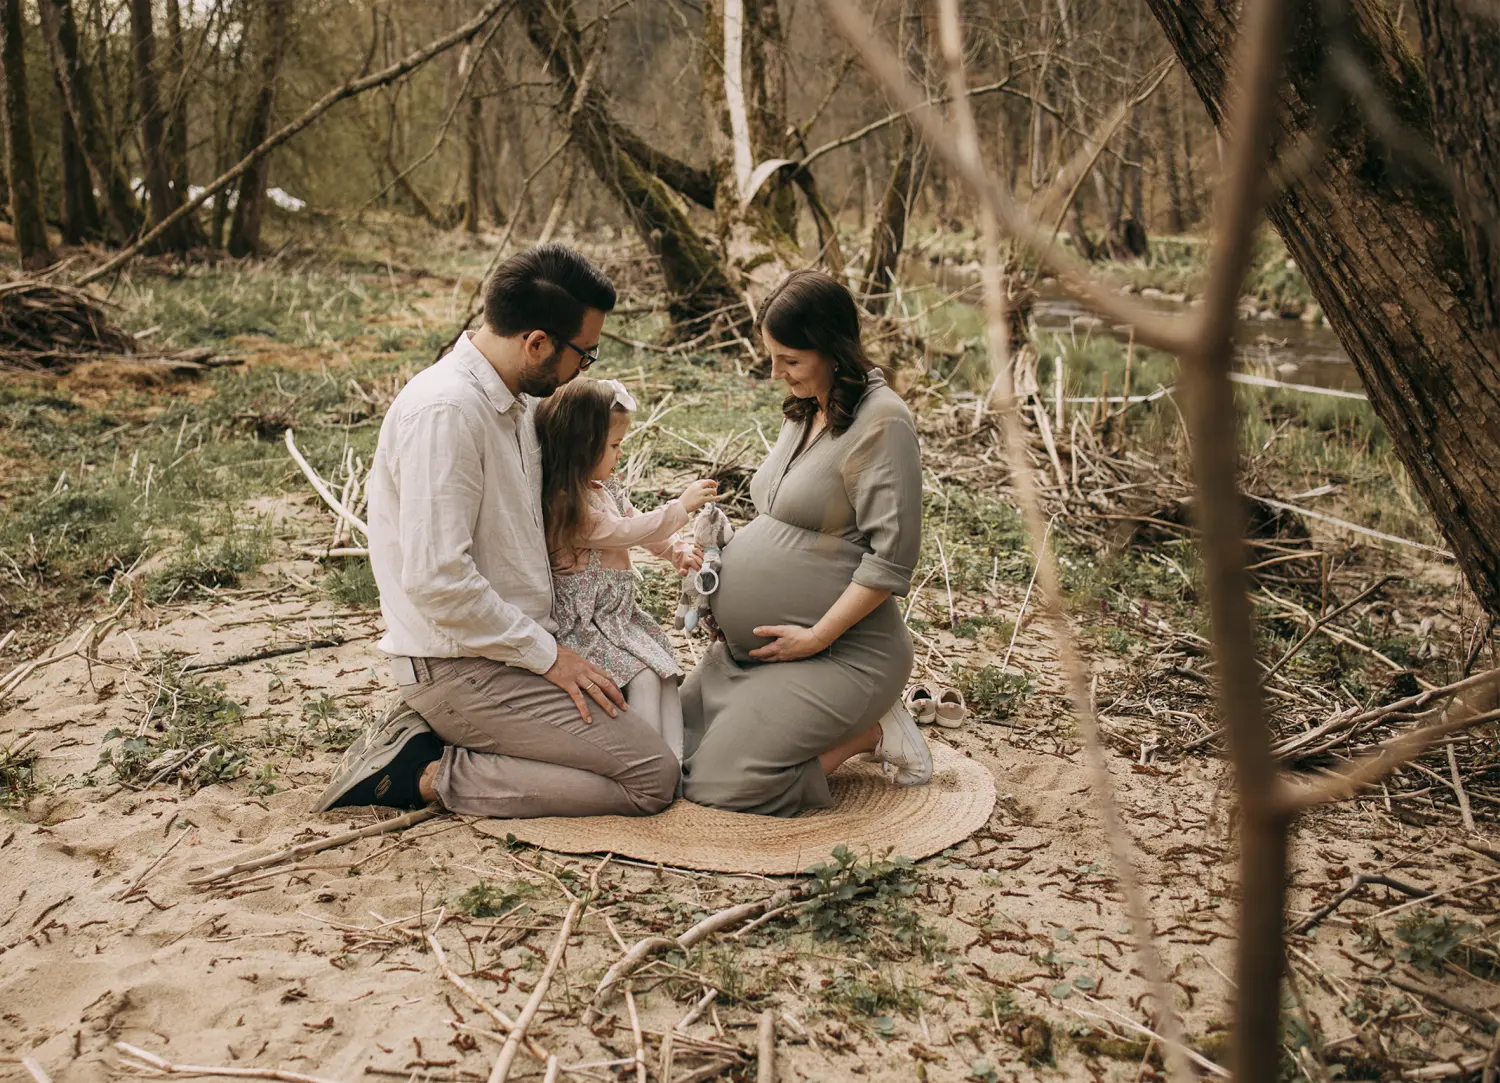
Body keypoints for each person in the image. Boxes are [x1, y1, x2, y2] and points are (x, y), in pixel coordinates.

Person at [312, 244, 679, 818]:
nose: (586, 368)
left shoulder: (514, 405)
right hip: (463, 665)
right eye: (585, 353)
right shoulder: (448, 412)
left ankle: (461, 740)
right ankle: (424, 773)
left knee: (643, 718)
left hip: (516, 649)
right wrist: (552, 658)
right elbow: (439, 582)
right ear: (536, 343)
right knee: (653, 778)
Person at [680, 269, 931, 817]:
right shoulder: (809, 407)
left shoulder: (884, 423)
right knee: (670, 751)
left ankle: (871, 735)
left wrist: (815, 637)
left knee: (721, 786)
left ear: (833, 349)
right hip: (757, 655)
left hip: (844, 655)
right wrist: (724, 572)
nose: (775, 372)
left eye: (789, 359)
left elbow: (892, 560)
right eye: (772, 356)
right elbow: (788, 521)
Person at [535, 376, 721, 763]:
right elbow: (622, 531)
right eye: (615, 446)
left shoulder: (604, 486)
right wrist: (679, 509)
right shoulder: (567, 504)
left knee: (664, 670)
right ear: (583, 447)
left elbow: (633, 519)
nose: (620, 455)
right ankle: (646, 762)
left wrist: (674, 551)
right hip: (589, 623)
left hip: (618, 616)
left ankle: (676, 761)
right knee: (643, 678)